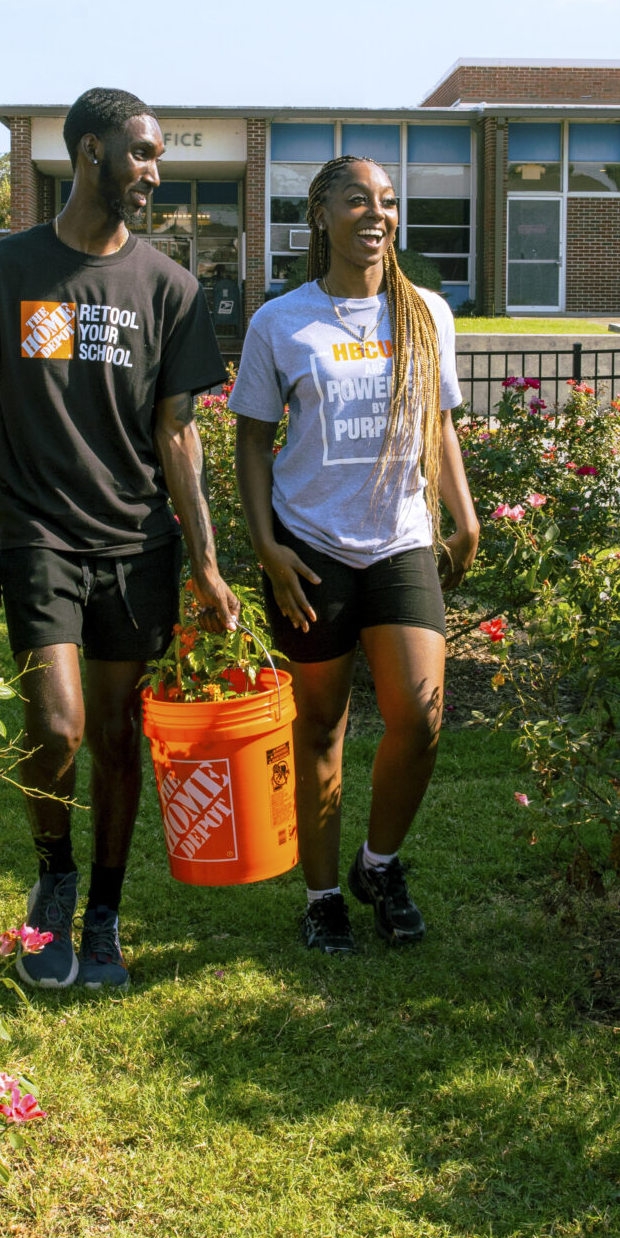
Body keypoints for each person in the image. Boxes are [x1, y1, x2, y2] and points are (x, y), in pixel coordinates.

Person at [0, 87, 239, 995]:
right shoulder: (3, 271)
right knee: (58, 724)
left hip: (136, 541)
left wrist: (206, 559)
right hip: (38, 534)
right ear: (88, 154)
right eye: (139, 153)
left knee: (116, 736)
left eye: (156, 156)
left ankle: (104, 908)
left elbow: (177, 431)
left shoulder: (170, 287)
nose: (152, 171)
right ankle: (54, 877)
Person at [229, 156, 480, 953]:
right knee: (320, 729)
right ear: (319, 215)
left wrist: (463, 519)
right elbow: (252, 440)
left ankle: (380, 862)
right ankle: (323, 896)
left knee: (421, 716)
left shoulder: (425, 314)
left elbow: (440, 424)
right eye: (356, 200)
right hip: (311, 548)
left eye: (387, 202)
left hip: (401, 537)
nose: (376, 214)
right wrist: (266, 544)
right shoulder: (281, 321)